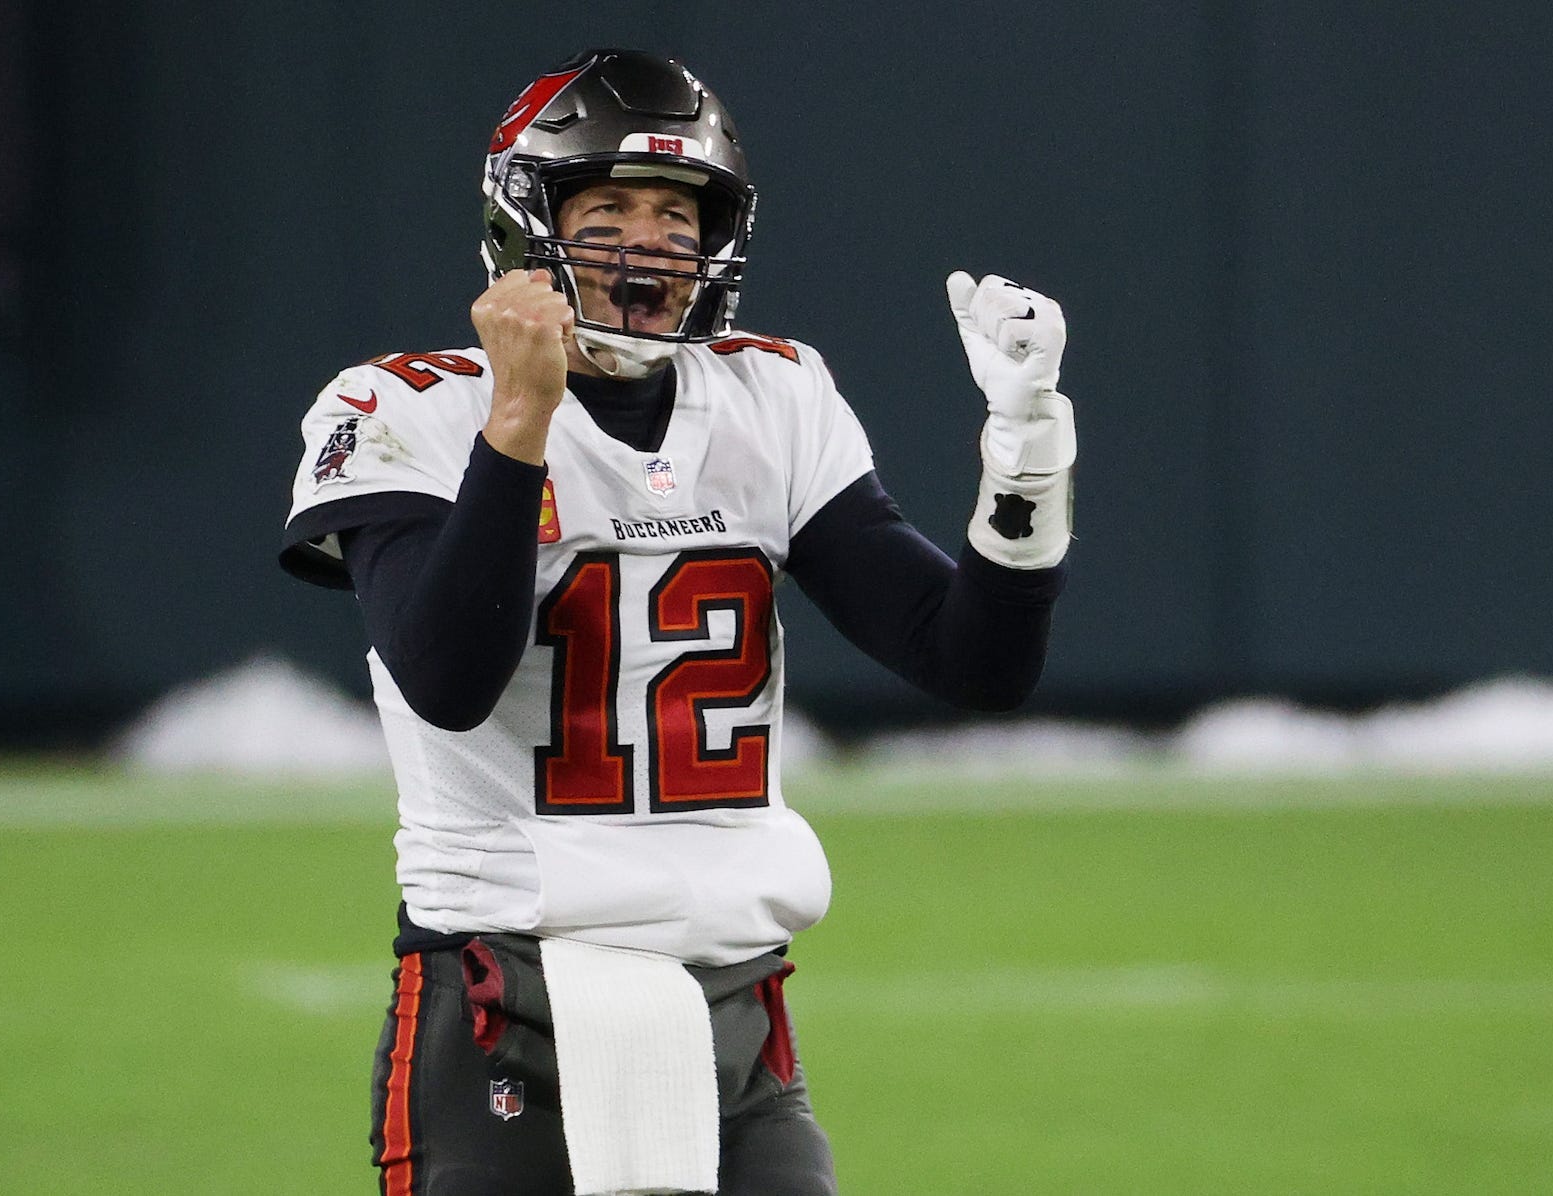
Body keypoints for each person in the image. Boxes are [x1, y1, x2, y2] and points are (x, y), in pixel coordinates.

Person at [280, 47, 1075, 1196]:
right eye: (605, 208)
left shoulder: (772, 394)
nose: (647, 242)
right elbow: (446, 675)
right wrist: (519, 420)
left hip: (730, 997)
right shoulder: (401, 404)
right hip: (511, 990)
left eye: (674, 212)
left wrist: (1027, 456)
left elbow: (971, 660)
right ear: (528, 222)